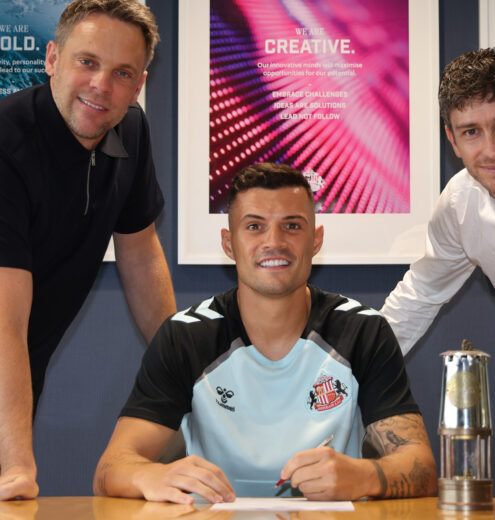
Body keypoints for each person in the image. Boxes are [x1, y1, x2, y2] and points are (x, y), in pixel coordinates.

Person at [93, 163, 437, 503]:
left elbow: (420, 465)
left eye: (292, 226)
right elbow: (112, 466)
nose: (274, 242)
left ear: (316, 240)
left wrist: (365, 476)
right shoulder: (184, 335)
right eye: (255, 226)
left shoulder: (363, 330)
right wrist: (151, 475)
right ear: (229, 243)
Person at [0, 0, 177, 500]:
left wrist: (185, 372)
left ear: (139, 84)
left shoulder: (130, 131)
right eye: (87, 62)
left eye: (123, 73)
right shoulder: (6, 141)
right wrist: (17, 465)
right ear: (53, 59)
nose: (101, 86)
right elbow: (5, 321)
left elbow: (140, 254)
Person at [380, 47, 495, 501]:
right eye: (472, 132)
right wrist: (338, 375)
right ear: (453, 140)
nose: (492, 149)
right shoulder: (460, 204)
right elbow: (418, 297)